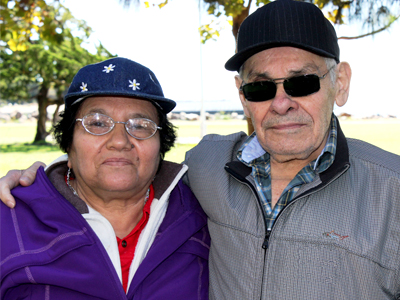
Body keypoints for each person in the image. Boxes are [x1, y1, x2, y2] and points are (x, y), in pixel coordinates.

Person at [1, 0, 400, 299]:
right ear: (242, 96)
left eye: (302, 83)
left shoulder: (393, 192)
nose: (281, 104)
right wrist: (39, 181)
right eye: (261, 87)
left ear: (341, 83)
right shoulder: (209, 169)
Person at [0, 57, 210, 299]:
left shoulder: (202, 214)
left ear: (161, 145)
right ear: (69, 144)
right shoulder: (10, 219)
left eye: (140, 125)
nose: (120, 141)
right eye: (97, 123)